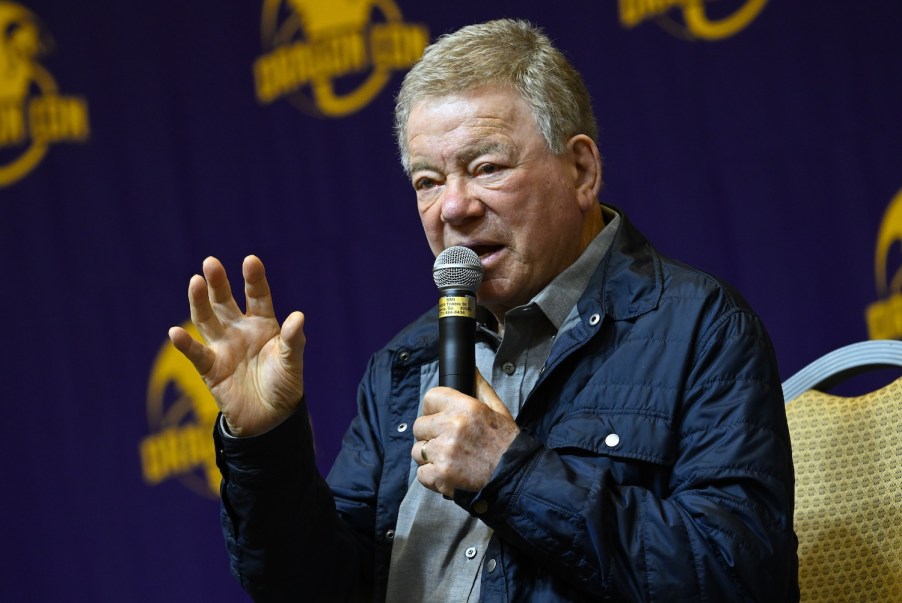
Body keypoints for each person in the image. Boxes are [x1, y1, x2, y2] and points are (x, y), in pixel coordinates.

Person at [169, 18, 799, 602]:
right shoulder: (402, 365)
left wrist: (511, 473)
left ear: (581, 169)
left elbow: (740, 575)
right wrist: (266, 446)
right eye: (427, 180)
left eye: (486, 167)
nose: (453, 207)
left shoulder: (699, 327)